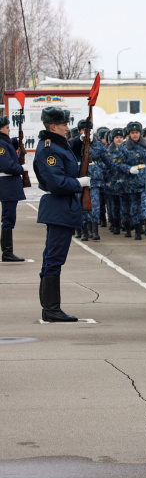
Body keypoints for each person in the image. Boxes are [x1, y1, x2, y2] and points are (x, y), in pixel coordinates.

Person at [33, 107, 89, 321]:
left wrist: (81, 139)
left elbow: (66, 153)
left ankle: (51, 307)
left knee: (55, 257)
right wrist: (78, 183)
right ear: (53, 126)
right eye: (64, 124)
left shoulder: (56, 144)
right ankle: (51, 309)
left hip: (62, 207)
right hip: (58, 206)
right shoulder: (48, 149)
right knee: (54, 257)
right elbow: (57, 182)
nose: (68, 127)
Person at [0, 115, 27, 261]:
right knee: (8, 219)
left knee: (9, 218)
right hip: (7, 185)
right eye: (7, 128)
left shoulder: (5, 143)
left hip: (9, 185)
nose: (9, 130)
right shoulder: (1, 144)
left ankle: (8, 252)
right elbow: (7, 165)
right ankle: (7, 252)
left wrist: (16, 142)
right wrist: (21, 168)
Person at [115, 121, 146, 240]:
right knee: (133, 207)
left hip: (145, 181)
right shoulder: (123, 147)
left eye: (137, 132)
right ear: (129, 134)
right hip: (131, 182)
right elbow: (117, 163)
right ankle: (137, 230)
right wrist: (128, 169)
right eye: (133, 133)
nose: (135, 135)